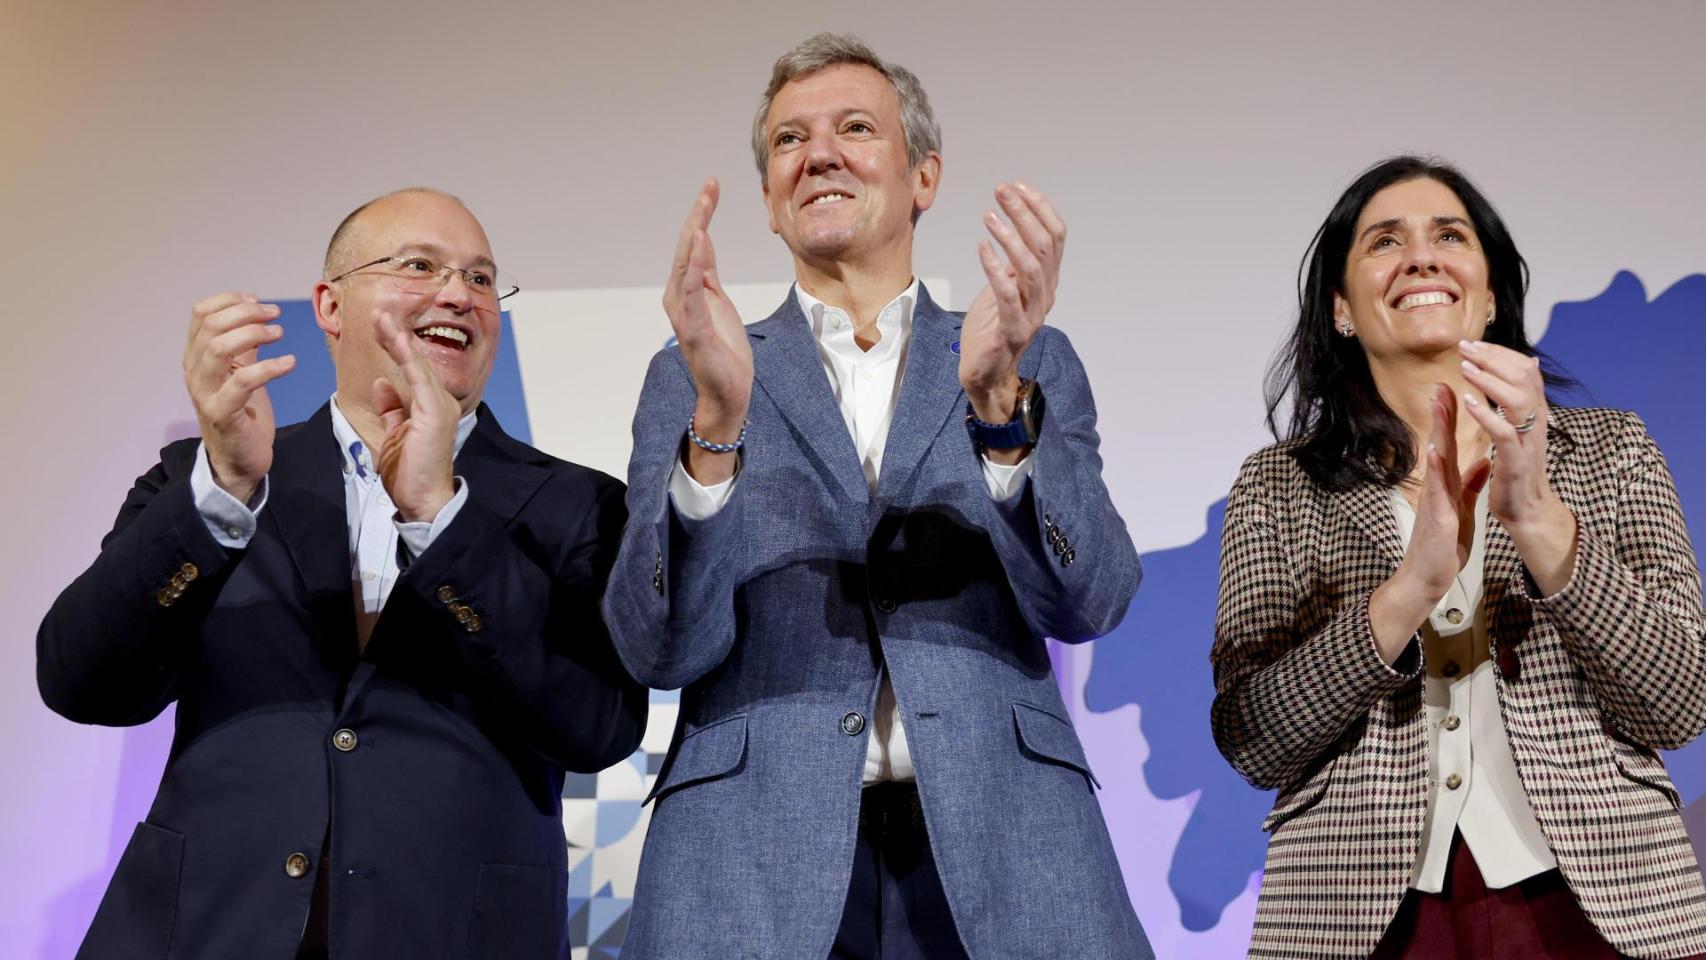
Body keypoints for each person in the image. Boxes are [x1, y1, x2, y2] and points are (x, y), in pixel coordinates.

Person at [603, 32, 1153, 960]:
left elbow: (1090, 598)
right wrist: (718, 425)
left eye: (856, 128)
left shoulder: (1024, 357)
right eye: (789, 141)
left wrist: (998, 413)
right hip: (751, 858)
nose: (818, 154)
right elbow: (655, 644)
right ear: (772, 205)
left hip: (1001, 847)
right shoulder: (696, 374)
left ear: (922, 178)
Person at [37, 188, 647, 959]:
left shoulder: (577, 504)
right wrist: (222, 493)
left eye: (482, 279)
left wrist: (441, 517)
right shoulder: (210, 477)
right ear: (330, 304)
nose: (458, 293)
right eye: (420, 265)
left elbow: (598, 726)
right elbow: (81, 682)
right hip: (207, 931)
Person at [1212, 155, 1706, 958]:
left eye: (1449, 235)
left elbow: (1681, 700)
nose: (1421, 257)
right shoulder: (1279, 487)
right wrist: (1410, 589)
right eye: (1384, 242)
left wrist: (1539, 519)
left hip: (1603, 904)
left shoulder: (1613, 451)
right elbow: (1252, 736)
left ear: (1488, 294)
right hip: (1358, 916)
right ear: (1342, 308)